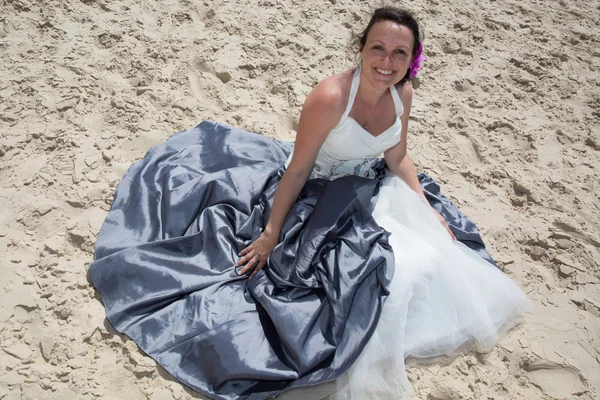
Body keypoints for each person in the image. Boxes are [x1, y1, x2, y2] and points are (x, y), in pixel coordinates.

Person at [90, 7, 529, 400]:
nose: (387, 62)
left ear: (412, 58)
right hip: (317, 190)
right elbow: (296, 172)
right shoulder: (330, 97)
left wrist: (424, 205)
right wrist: (269, 234)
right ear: (360, 49)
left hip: (371, 185)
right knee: (346, 280)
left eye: (400, 53)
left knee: (430, 255)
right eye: (378, 48)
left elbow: (396, 154)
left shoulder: (403, 94)